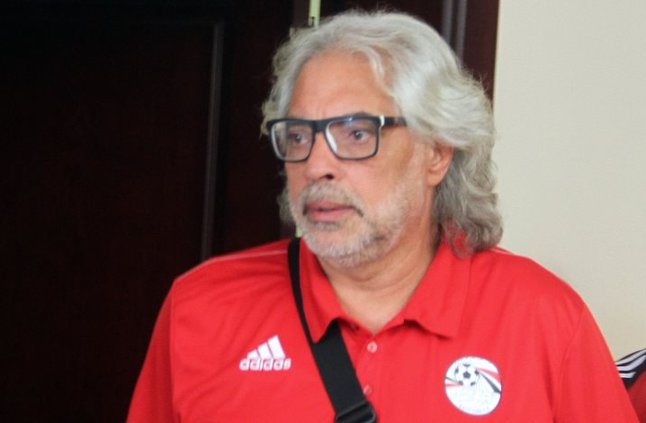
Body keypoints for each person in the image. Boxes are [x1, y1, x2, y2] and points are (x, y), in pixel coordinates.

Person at [127, 10, 637, 422]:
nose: (316, 165)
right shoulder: (201, 308)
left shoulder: (544, 318)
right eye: (299, 136)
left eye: (356, 133)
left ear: (437, 153)